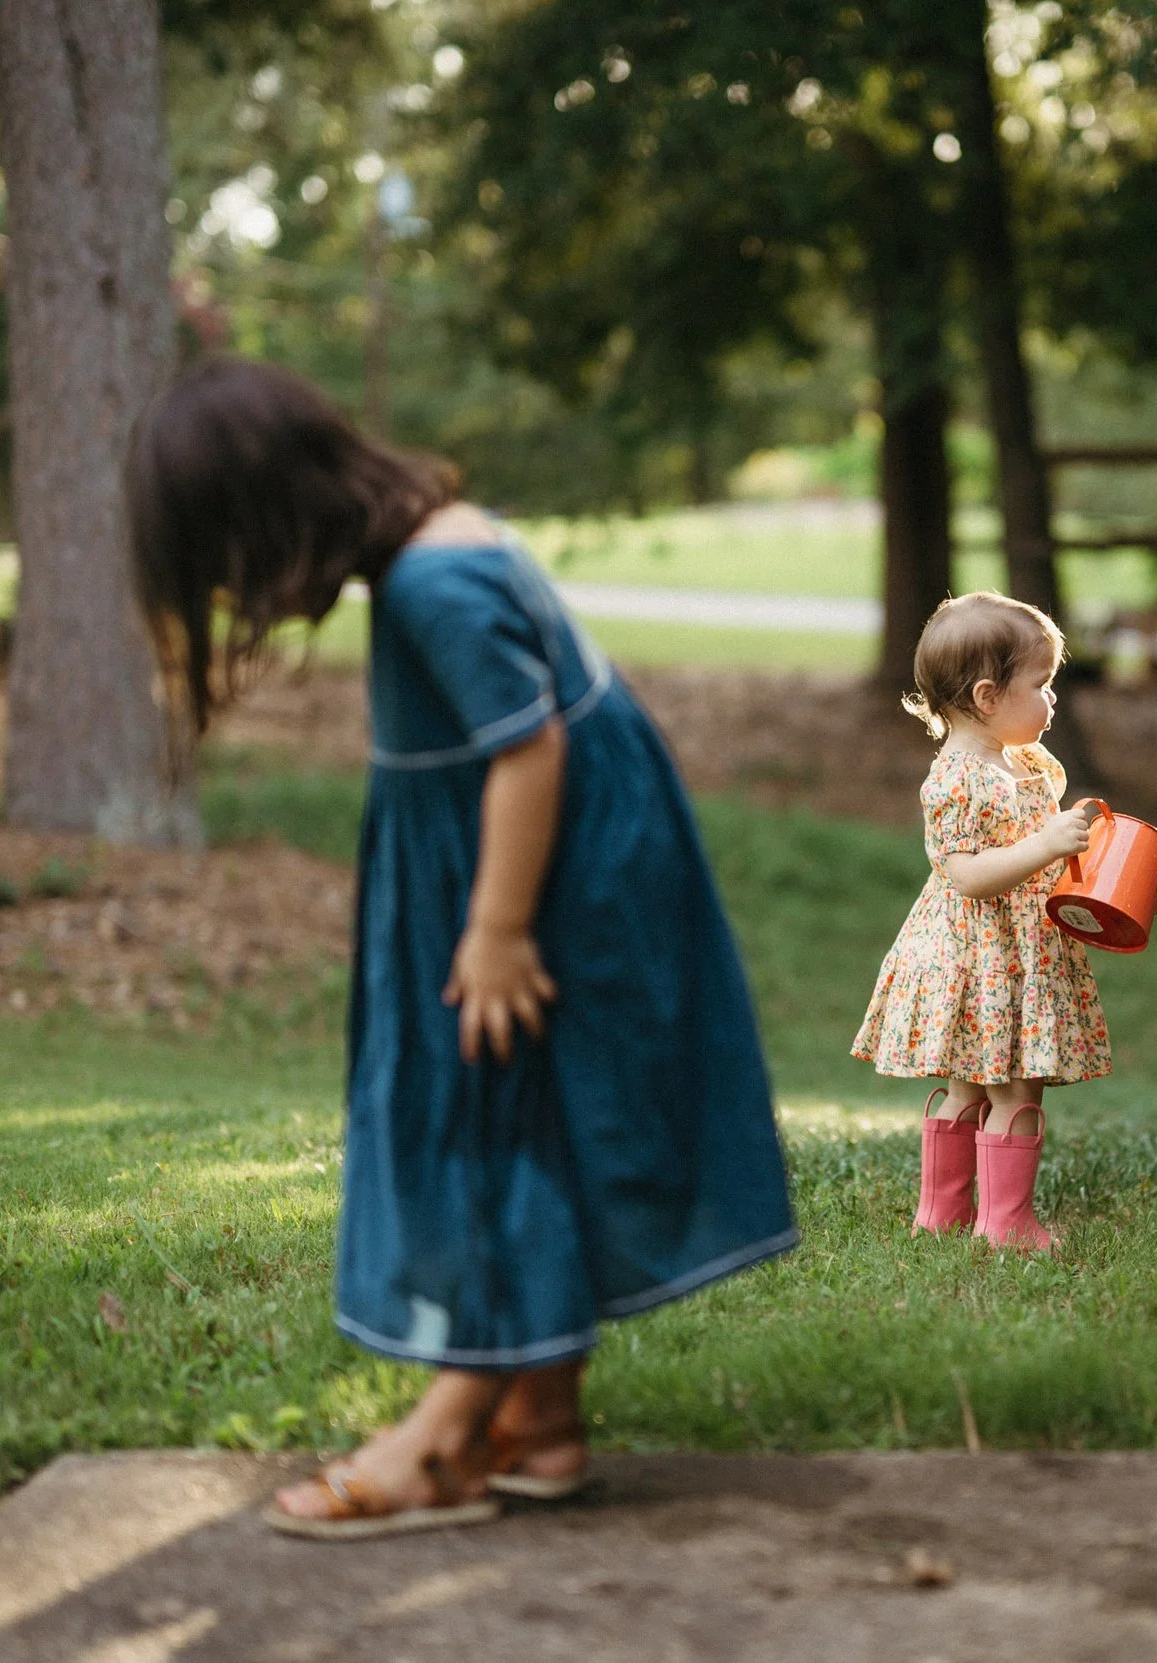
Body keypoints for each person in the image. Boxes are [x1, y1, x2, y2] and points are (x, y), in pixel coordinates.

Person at [126, 359, 797, 1539]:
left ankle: (441, 1439)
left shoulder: (432, 584)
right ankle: (537, 1421)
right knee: (522, 1115)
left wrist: (493, 929)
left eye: (228, 565)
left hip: (540, 885)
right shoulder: (438, 538)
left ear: (270, 518)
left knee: (481, 1131)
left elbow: (527, 745)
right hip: (549, 866)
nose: (238, 596)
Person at [852, 593, 1107, 1251]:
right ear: (989, 696)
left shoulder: (1021, 764)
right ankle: (1007, 1225)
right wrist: (1046, 845)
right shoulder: (958, 778)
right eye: (1041, 684)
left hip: (1013, 951)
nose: (1052, 699)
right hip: (985, 957)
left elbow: (1044, 858)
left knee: (972, 1081)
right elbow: (964, 875)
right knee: (1014, 1087)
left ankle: (947, 1214)